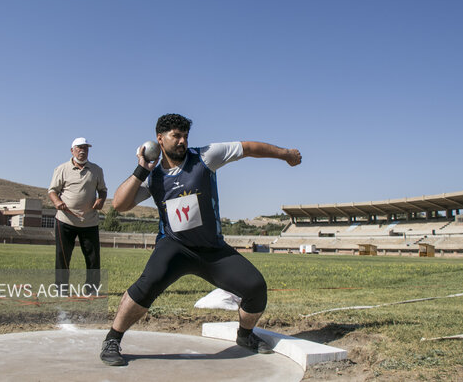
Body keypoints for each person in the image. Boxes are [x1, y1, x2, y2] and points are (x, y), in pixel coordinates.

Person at [100, 114, 302, 366]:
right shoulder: (153, 178)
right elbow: (120, 205)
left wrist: (285, 154)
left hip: (212, 249)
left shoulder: (206, 156)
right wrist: (142, 169)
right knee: (147, 283)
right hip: (174, 247)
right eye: (176, 136)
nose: (183, 141)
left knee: (256, 288)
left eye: (185, 136)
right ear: (159, 139)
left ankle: (245, 335)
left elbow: (248, 148)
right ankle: (112, 339)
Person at [48, 137, 107, 295]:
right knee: (63, 256)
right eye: (79, 148)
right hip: (65, 220)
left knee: (93, 258)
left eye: (86, 148)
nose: (83, 151)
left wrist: (101, 200)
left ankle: (92, 289)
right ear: (72, 150)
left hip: (89, 221)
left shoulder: (96, 170)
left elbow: (103, 190)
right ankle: (61, 289)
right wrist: (57, 202)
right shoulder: (61, 169)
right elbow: (52, 190)